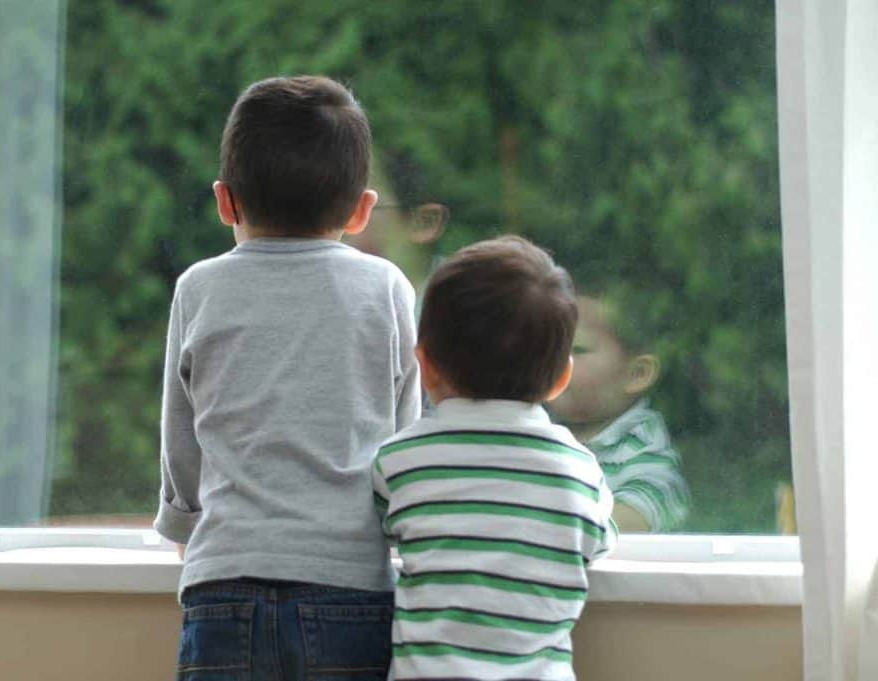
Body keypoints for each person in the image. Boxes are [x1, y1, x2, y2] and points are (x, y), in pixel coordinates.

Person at [154, 76, 421, 680]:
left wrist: (185, 528)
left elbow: (182, 436)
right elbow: (403, 440)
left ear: (225, 201)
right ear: (361, 210)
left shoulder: (198, 289)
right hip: (352, 589)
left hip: (224, 584)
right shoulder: (388, 290)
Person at [373, 236, 617, 681]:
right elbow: (599, 541)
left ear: (424, 364)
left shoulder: (400, 462)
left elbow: (380, 532)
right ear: (562, 377)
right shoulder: (579, 472)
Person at [548, 295, 690, 532]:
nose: (551, 359)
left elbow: (637, 515)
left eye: (577, 349)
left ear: (637, 374)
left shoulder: (642, 445)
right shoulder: (538, 425)